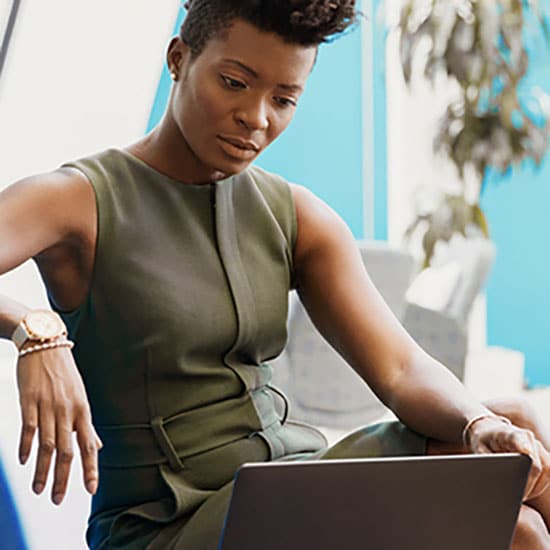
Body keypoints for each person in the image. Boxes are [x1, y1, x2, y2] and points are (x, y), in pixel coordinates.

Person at [0, 1, 549, 548]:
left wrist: (476, 425)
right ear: (178, 58)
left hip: (286, 480)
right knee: (515, 526)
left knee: (513, 440)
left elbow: (401, 369)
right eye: (235, 82)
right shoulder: (78, 200)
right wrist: (33, 329)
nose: (257, 118)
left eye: (284, 99)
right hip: (169, 524)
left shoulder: (295, 215)